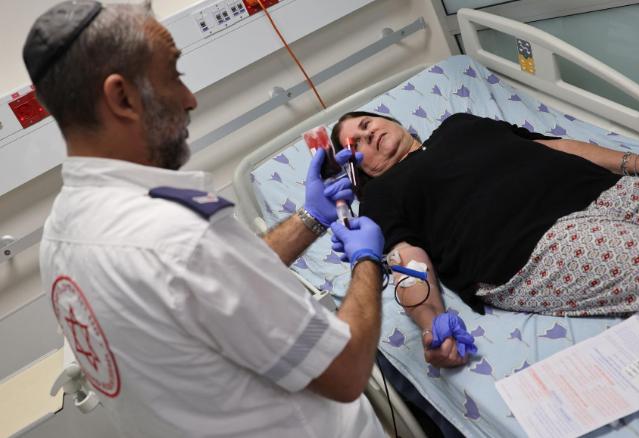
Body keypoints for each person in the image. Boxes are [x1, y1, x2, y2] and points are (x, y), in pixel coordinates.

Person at [29, 2, 385, 437]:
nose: (190, 98)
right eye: (174, 75)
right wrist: (367, 261)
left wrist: (312, 217)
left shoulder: (61, 235)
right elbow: (346, 371)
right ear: (121, 97)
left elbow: (210, 293)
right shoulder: (179, 234)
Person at [329, 110, 639, 368]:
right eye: (358, 142)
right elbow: (407, 258)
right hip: (534, 247)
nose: (368, 132)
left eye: (368, 122)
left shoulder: (459, 124)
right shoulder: (382, 197)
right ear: (358, 169)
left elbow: (551, 145)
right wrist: (431, 323)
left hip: (608, 192)